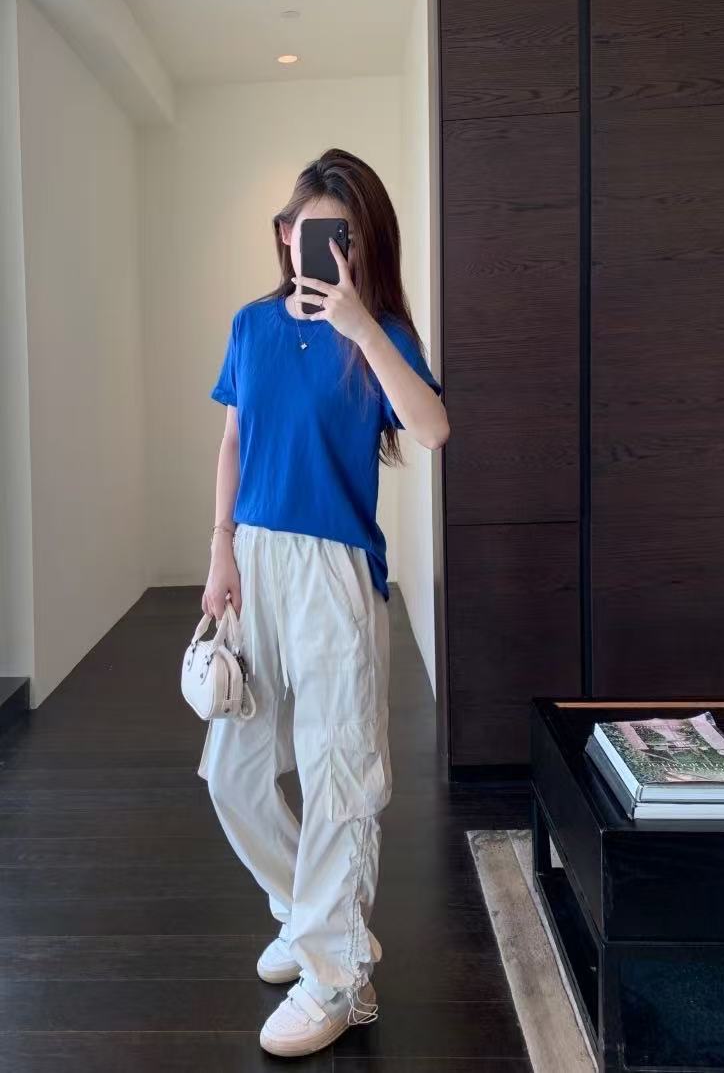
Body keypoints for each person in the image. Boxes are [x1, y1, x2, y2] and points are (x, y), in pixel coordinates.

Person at [199, 147, 449, 1058]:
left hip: (336, 568)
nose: (319, 249)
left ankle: (337, 976)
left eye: (340, 236)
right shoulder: (251, 325)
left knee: (340, 770)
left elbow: (433, 428)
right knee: (233, 768)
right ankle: (310, 915)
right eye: (306, 230)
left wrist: (361, 325)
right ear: (283, 235)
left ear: (362, 244)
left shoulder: (378, 332)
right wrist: (220, 546)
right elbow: (233, 440)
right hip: (254, 559)